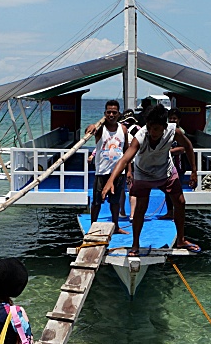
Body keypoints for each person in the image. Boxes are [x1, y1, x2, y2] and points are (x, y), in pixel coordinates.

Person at [102, 104, 200, 256]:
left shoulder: (174, 131)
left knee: (180, 202)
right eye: (150, 128)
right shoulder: (141, 135)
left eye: (156, 129)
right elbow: (125, 159)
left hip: (165, 170)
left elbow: (188, 146)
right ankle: (135, 244)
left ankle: (181, 239)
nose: (152, 132)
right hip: (143, 173)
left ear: (164, 127)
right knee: (141, 208)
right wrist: (110, 180)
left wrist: (194, 171)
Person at [85, 100, 130, 234]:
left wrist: (129, 171)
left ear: (119, 114)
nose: (111, 115)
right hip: (101, 171)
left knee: (115, 202)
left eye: (114, 112)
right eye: (108, 112)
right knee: (97, 201)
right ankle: (93, 226)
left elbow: (127, 151)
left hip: (117, 173)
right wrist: (91, 126)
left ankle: (115, 226)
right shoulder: (100, 130)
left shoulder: (123, 129)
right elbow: (89, 130)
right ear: (105, 114)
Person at [159, 108, 185, 220]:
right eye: (170, 118)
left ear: (179, 120)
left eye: (175, 118)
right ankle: (169, 212)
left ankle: (176, 212)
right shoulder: (166, 131)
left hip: (178, 165)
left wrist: (170, 151)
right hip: (166, 165)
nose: (172, 120)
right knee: (167, 189)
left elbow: (184, 148)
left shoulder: (181, 132)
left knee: (177, 191)